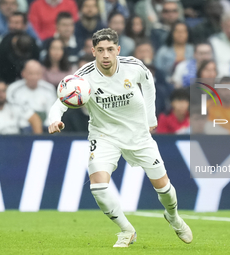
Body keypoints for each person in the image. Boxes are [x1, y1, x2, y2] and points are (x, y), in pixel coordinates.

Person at [48, 28, 193, 247]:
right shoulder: (83, 77)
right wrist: (54, 119)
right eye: (100, 50)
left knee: (163, 188)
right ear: (93, 51)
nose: (105, 55)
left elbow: (149, 83)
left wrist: (150, 117)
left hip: (138, 134)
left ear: (118, 49)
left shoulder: (133, 67)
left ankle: (173, 217)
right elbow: (60, 101)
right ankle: (127, 230)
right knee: (98, 187)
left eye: (109, 50)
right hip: (104, 134)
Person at [6, 60, 56, 129]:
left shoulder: (49, 89)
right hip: (21, 127)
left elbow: (52, 111)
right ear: (23, 73)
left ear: (41, 74)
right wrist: (35, 121)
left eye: (37, 73)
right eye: (30, 73)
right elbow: (14, 111)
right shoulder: (13, 89)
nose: (34, 77)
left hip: (45, 127)